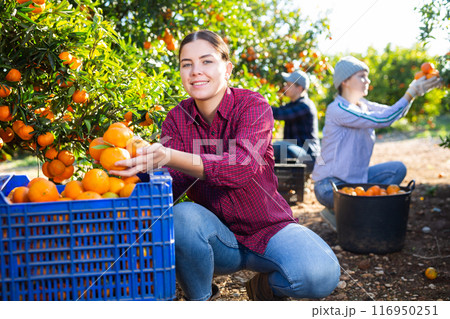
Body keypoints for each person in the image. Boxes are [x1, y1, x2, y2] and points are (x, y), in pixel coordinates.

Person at [110, 30, 340, 301]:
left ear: (227, 68)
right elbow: (172, 184)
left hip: (269, 229)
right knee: (182, 217)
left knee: (320, 274)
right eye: (187, 64)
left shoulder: (253, 105)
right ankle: (201, 298)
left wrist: (170, 155)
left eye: (207, 61)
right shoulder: (176, 119)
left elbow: (239, 167)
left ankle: (263, 287)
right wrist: (129, 167)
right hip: (217, 240)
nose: (196, 71)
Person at [312, 56, 442, 216]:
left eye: (367, 76)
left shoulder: (364, 105)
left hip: (357, 182)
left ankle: (353, 209)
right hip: (330, 185)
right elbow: (384, 119)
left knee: (397, 169)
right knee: (355, 201)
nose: (367, 80)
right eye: (361, 76)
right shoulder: (337, 109)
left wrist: (414, 92)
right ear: (344, 82)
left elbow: (391, 112)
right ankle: (344, 212)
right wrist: (411, 92)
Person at [271, 70, 320, 173]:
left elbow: (279, 114)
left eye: (288, 85)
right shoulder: (292, 105)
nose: (285, 88)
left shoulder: (305, 106)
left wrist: (260, 105)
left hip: (308, 156)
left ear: (299, 88)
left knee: (278, 146)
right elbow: (278, 111)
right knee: (279, 148)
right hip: (295, 152)